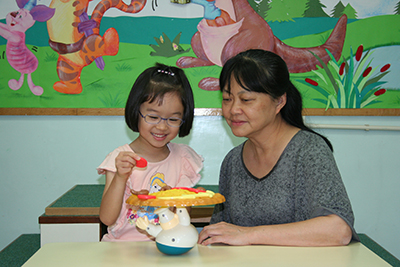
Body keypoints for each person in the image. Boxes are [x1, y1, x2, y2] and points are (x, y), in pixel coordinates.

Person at [198, 49, 359, 247]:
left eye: (246, 100)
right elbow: (222, 233)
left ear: (279, 102)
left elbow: (338, 230)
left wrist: (248, 235)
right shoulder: (232, 161)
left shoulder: (308, 150)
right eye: (227, 99)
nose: (233, 110)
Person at [98, 63, 203, 242]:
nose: (162, 126)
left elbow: (184, 219)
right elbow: (107, 219)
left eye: (173, 119)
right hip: (120, 248)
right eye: (153, 117)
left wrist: (173, 201)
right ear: (136, 111)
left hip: (166, 247)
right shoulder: (121, 158)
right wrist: (120, 178)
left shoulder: (183, 159)